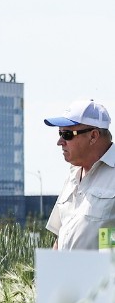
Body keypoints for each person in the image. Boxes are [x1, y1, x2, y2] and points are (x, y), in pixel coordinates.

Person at [44, 99, 115, 250]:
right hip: (68, 273)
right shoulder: (72, 176)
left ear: (93, 136)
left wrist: (105, 253)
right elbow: (60, 237)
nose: (60, 141)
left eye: (67, 134)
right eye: (60, 133)